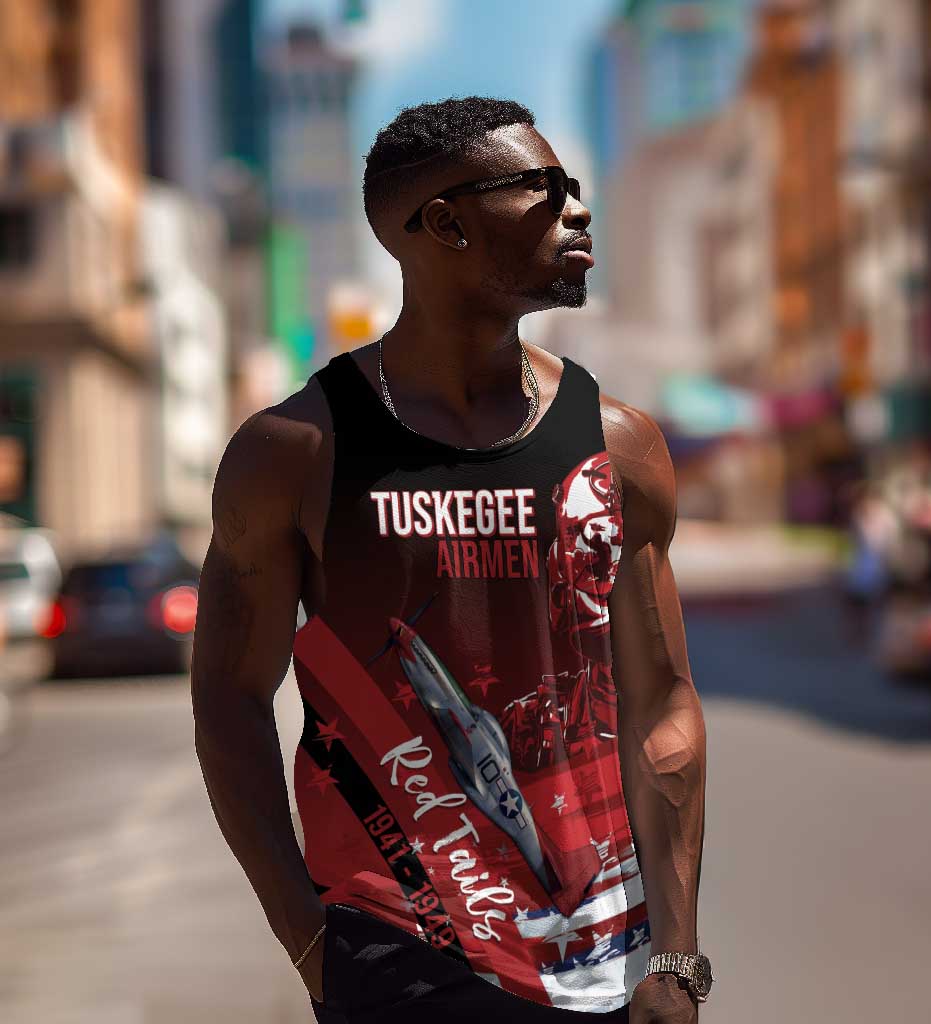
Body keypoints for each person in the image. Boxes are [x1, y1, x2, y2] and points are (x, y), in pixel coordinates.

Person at [191, 96, 709, 1023]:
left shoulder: (620, 445)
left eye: (577, 189)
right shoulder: (296, 451)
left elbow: (660, 699)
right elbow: (230, 699)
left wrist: (676, 953)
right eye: (545, 190)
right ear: (443, 223)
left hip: (604, 955)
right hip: (397, 952)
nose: (577, 211)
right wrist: (313, 944)